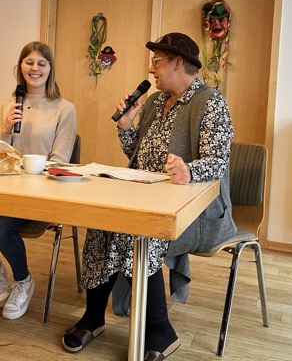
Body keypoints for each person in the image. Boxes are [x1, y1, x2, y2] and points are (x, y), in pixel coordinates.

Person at [62, 32, 237, 360]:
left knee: (135, 232)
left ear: (178, 63)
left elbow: (218, 161)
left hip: (194, 208)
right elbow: (138, 155)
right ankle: (93, 316)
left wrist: (189, 171)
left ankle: (160, 330)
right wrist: (127, 125)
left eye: (157, 61)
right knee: (101, 222)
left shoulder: (210, 102)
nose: (151, 68)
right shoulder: (156, 102)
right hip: (146, 196)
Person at [0, 41, 76, 320]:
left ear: (50, 69)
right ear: (20, 67)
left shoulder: (64, 108)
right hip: (3, 187)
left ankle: (23, 280)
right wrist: (6, 128)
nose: (35, 68)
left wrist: (31, 171)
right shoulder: (9, 103)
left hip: (39, 191)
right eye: (29, 62)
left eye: (41, 63)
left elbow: (60, 160)